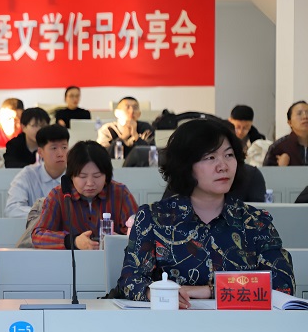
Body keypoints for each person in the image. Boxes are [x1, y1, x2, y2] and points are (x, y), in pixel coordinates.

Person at [120, 119, 295, 307]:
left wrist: (211, 291)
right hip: (172, 320)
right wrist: (157, 293)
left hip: (241, 323)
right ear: (185, 164)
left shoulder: (255, 222)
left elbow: (283, 284)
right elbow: (130, 280)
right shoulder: (153, 218)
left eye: (229, 155)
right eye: (210, 158)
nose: (223, 166)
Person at [31, 140, 138, 249]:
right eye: (82, 176)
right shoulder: (58, 196)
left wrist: (119, 240)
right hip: (69, 259)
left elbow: (140, 233)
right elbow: (38, 236)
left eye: (97, 176)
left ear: (107, 175)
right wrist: (73, 241)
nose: (90, 183)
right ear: (71, 176)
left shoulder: (120, 193)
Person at [5, 125, 69, 218]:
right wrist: (46, 213)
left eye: (64, 147)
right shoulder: (28, 175)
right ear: (40, 152)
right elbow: (12, 209)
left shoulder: (77, 175)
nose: (60, 154)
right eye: (54, 148)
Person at [264, 100, 308, 166]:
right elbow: (266, 172)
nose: (305, 117)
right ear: (290, 122)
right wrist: (281, 168)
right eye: (299, 114)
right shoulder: (279, 147)